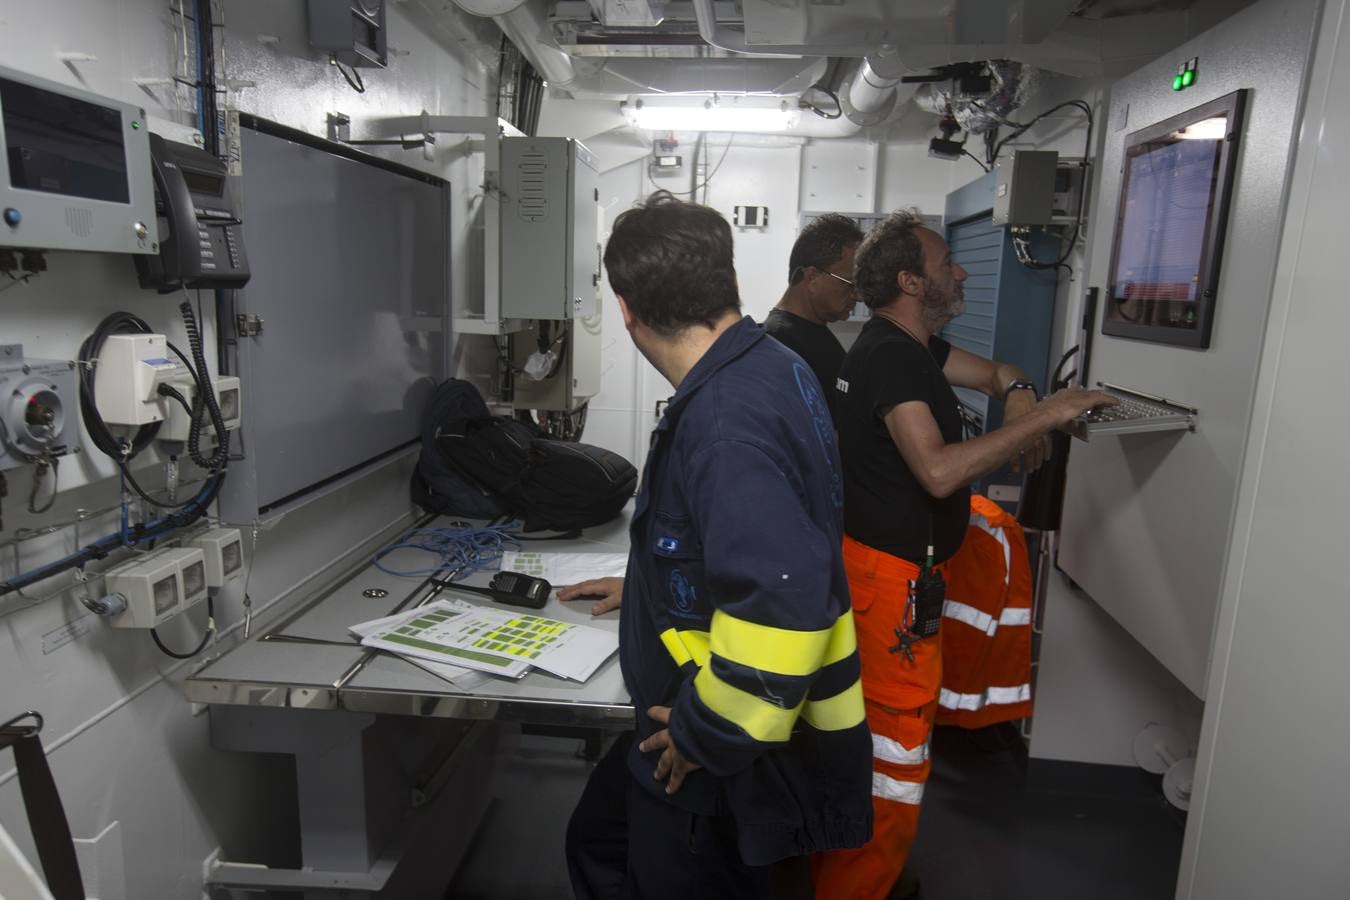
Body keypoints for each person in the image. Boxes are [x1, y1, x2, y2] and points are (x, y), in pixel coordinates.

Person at [563, 191, 873, 900]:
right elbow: (752, 541)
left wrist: (704, 738)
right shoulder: (769, 363)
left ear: (626, 310)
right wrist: (645, 585)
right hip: (731, 720)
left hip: (721, 737)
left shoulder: (727, 424)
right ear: (730, 283)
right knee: (599, 839)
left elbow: (781, 608)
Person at [812, 209, 1116, 900]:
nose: (963, 268)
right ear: (912, 280)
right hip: (889, 589)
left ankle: (864, 875)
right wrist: (1046, 416)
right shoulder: (892, 359)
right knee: (894, 757)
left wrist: (1019, 396)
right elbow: (940, 472)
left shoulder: (909, 345)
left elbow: (1000, 372)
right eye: (948, 261)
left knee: (887, 751)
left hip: (882, 575)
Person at [764, 213, 866, 414]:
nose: (858, 297)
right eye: (850, 284)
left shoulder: (814, 334)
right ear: (812, 277)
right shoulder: (780, 343)